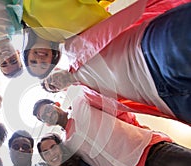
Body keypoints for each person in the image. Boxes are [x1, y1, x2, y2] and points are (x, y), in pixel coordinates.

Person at [37, 2, 191, 125]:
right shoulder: (90, 99)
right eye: (53, 88)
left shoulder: (72, 46)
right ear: (62, 90)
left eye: (50, 80)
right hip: (167, 100)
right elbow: (120, 118)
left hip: (150, 52)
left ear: (56, 68)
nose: (54, 83)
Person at [33, 96, 191, 166]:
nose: (47, 115)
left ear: (57, 104)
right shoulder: (68, 147)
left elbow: (118, 109)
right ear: (46, 123)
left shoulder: (81, 102)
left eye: (48, 109)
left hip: (149, 155)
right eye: (43, 117)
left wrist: (138, 134)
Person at [22, 0, 111, 79]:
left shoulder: (23, 20)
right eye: (44, 64)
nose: (39, 59)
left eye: (33, 62)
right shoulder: (67, 36)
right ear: (52, 59)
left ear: (27, 54)